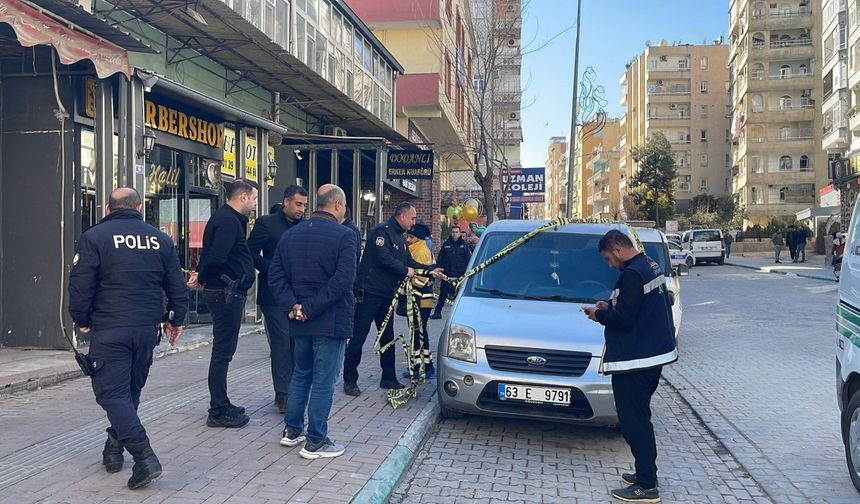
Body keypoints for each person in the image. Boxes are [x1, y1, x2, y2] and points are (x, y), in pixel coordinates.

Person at [68, 188, 188, 490]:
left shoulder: (95, 237)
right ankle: (113, 446)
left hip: (110, 327)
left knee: (112, 394)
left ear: (108, 208)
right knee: (129, 391)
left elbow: (80, 284)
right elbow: (176, 284)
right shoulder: (159, 238)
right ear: (140, 208)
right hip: (146, 329)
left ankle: (144, 456)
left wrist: (81, 320)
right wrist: (176, 319)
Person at [583, 230, 677, 503]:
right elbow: (634, 306)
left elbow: (624, 318)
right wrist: (611, 305)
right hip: (651, 357)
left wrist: (599, 314)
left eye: (608, 258)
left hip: (635, 361)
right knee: (640, 418)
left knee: (634, 422)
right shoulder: (649, 265)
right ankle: (644, 473)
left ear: (618, 248)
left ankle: (647, 486)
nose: (609, 264)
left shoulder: (632, 274)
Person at [268, 184, 356, 459]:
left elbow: (275, 276)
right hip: (328, 320)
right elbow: (343, 281)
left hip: (298, 319)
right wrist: (310, 308)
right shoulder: (346, 236)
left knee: (301, 374)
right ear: (338, 205)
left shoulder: (291, 235)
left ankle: (292, 430)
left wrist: (295, 306)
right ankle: (316, 439)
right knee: (323, 380)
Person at [343, 202, 442, 396]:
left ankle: (388, 378)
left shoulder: (401, 237)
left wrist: (431, 271)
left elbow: (409, 262)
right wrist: (406, 271)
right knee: (358, 336)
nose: (413, 223)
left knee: (388, 337)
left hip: (386, 294)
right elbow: (384, 259)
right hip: (369, 292)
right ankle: (350, 380)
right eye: (412, 218)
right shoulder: (382, 232)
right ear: (402, 216)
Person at [187, 179, 257, 428]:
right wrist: (202, 276)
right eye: (255, 198)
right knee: (222, 353)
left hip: (225, 291)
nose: (256, 204)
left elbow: (211, 254)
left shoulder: (227, 219)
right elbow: (216, 256)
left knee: (224, 352)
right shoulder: (227, 220)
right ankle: (217, 410)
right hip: (225, 293)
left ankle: (222, 402)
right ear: (244, 197)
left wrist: (200, 274)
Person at [247, 185, 308, 414]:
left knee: (296, 342)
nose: (301, 209)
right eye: (298, 204)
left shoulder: (306, 226)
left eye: (304, 205)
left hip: (298, 295)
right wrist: (272, 268)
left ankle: (295, 390)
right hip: (273, 294)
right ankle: (283, 394)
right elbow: (250, 253)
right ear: (286, 202)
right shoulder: (267, 223)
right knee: (281, 344)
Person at [401, 222, 436, 380]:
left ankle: (419, 368)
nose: (408, 239)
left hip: (419, 297)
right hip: (422, 297)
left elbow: (420, 279)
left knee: (418, 332)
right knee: (420, 331)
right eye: (408, 236)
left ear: (419, 238)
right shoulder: (418, 249)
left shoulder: (420, 252)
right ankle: (426, 365)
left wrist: (405, 279)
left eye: (411, 237)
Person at [430, 225, 471, 319]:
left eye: (456, 232)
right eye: (453, 232)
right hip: (447, 275)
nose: (454, 234)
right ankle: (437, 313)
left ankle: (461, 315)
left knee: (460, 297)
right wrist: (439, 271)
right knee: (442, 294)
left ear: (460, 233)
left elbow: (468, 260)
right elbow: (440, 259)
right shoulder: (446, 245)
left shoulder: (464, 246)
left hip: (460, 275)